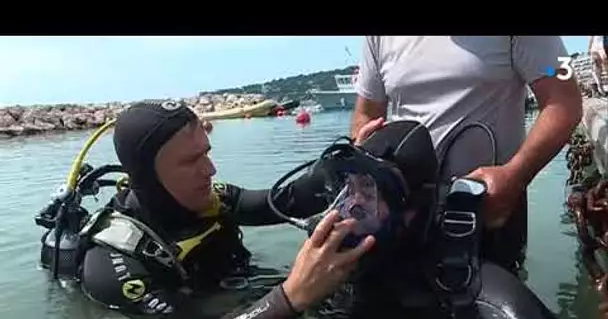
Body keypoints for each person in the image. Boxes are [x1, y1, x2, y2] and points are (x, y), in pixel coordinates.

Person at [78, 100, 377, 318]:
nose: (210, 170)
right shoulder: (112, 263)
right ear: (146, 175)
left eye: (206, 154)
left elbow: (285, 201)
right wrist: (292, 295)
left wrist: (347, 163)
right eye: (189, 162)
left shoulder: (211, 199)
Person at [350, 36, 583, 275]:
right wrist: (363, 161)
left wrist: (516, 175)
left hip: (489, 207)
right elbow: (366, 114)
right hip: (402, 212)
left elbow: (566, 101)